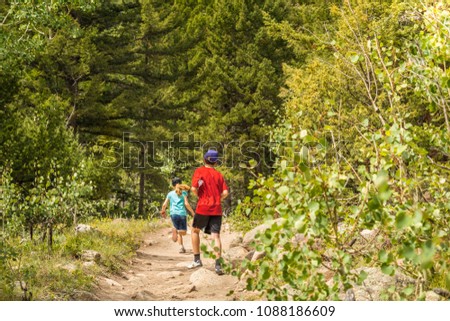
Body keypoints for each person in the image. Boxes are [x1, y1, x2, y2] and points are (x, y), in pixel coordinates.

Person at [188, 150, 229, 275]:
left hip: (203, 206)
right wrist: (218, 198)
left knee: (195, 230)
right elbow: (226, 193)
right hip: (216, 208)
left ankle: (197, 260)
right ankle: (218, 265)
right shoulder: (219, 175)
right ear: (215, 162)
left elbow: (194, 188)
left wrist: (200, 195)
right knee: (215, 236)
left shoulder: (199, 171)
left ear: (204, 159)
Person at [160, 177, 195, 253]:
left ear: (173, 185)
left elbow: (164, 204)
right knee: (183, 232)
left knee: (178, 230)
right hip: (182, 214)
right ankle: (177, 234)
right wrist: (192, 212)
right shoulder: (184, 193)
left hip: (173, 214)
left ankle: (181, 247)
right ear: (180, 183)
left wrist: (163, 211)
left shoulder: (170, 194)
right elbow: (186, 203)